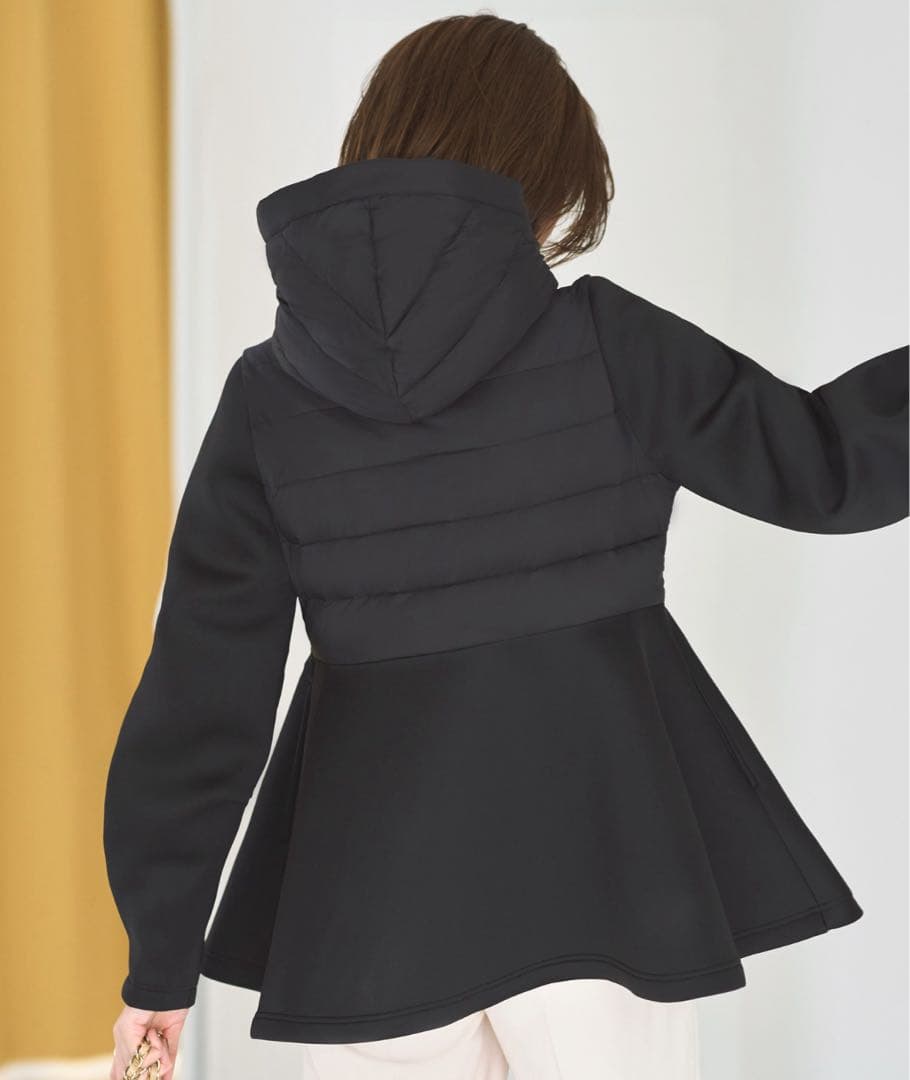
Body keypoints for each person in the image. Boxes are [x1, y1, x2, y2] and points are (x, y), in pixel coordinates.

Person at [103, 13, 909, 1080]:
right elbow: (825, 467)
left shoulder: (267, 396)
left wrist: (159, 966)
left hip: (365, 918)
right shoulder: (607, 341)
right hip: (606, 883)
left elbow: (203, 692)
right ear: (545, 180)